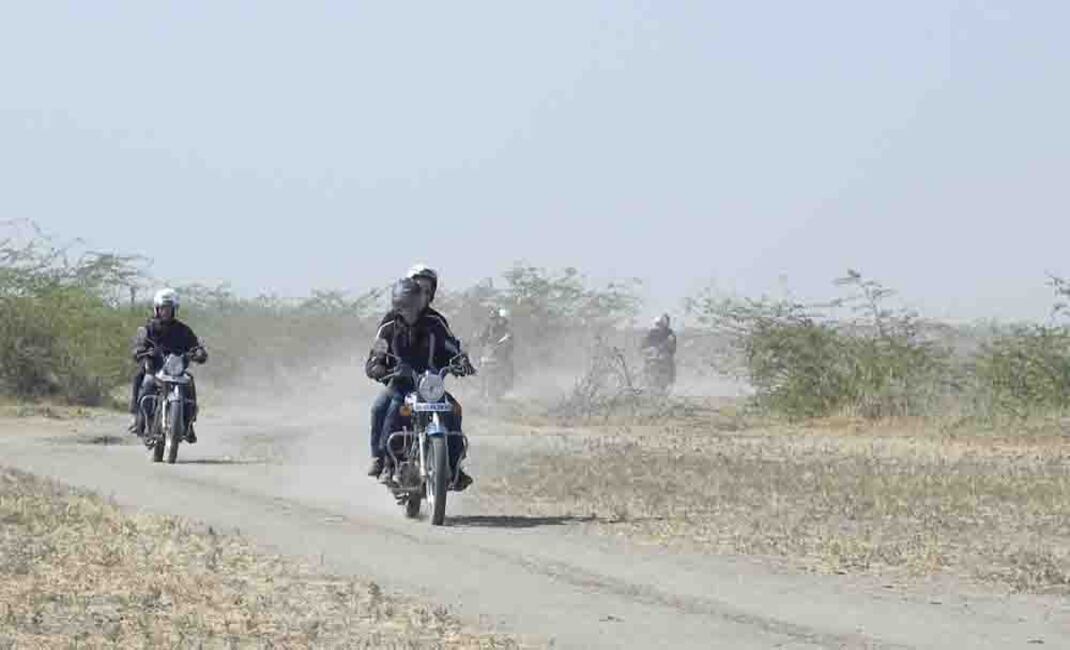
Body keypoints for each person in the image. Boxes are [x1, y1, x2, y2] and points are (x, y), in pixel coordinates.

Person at [365, 278, 474, 489]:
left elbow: (452, 346)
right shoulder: (388, 325)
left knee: (454, 411)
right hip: (400, 385)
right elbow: (374, 356)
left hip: (430, 386)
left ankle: (454, 466)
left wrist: (461, 361)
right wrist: (379, 368)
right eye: (404, 306)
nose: (410, 311)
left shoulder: (435, 322)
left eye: (414, 304)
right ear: (397, 306)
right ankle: (384, 462)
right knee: (384, 409)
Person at [129, 288, 208, 441]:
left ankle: (189, 424)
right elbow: (139, 345)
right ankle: (139, 420)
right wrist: (142, 351)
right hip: (155, 370)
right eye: (163, 308)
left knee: (189, 382)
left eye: (169, 308)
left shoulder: (184, 330)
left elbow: (195, 346)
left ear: (174, 310)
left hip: (177, 372)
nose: (165, 311)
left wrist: (199, 353)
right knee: (144, 382)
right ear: (157, 309)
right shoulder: (148, 329)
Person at [641, 313, 677, 388]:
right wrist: (648, 349)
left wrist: (666, 348)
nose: (659, 326)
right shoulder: (651, 333)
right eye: (657, 324)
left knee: (670, 363)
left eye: (660, 324)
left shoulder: (669, 333)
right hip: (652, 355)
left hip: (665, 355)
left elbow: (672, 345)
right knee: (646, 365)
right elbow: (644, 344)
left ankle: (670, 379)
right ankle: (645, 380)